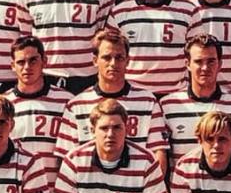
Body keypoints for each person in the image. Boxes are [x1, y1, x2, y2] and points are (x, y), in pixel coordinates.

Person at [56, 28, 170, 177]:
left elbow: (158, 153)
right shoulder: (76, 105)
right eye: (107, 57)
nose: (113, 63)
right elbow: (66, 159)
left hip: (135, 187)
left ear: (128, 61)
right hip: (91, 189)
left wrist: (152, 188)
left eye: (119, 57)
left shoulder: (148, 101)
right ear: (95, 60)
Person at [159, 35, 231, 177]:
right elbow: (159, 154)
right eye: (199, 61)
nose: (205, 68)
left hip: (229, 188)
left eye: (211, 61)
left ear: (220, 64)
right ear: (187, 64)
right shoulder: (168, 105)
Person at [106, 0, 197, 97]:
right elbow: (109, 58)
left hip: (176, 98)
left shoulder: (187, 10)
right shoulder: (119, 13)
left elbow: (197, 56)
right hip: (133, 98)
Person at [2, 36, 73, 178]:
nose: (27, 67)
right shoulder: (3, 104)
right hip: (17, 189)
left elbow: (71, 155)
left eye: (33, 60)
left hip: (56, 189)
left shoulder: (67, 102)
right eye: (21, 62)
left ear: (44, 62)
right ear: (12, 65)